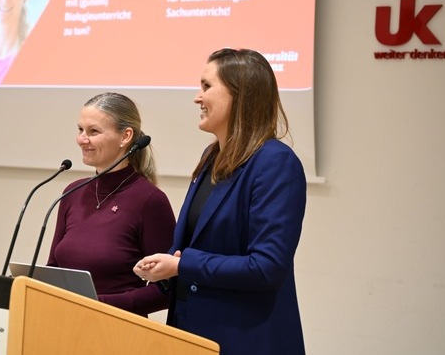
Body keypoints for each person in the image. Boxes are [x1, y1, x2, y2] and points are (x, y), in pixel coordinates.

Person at [134, 48, 307, 354]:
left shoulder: (275, 162)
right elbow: (197, 244)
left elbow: (266, 268)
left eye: (207, 86)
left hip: (245, 339)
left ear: (240, 94)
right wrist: (165, 267)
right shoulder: (211, 156)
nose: (197, 98)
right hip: (191, 333)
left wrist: (182, 265)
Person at [47, 92, 176, 317]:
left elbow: (166, 289)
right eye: (80, 130)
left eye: (93, 131)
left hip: (117, 328)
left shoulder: (150, 200)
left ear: (125, 136)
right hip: (66, 323)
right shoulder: (72, 192)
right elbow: (54, 269)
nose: (81, 139)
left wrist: (99, 304)